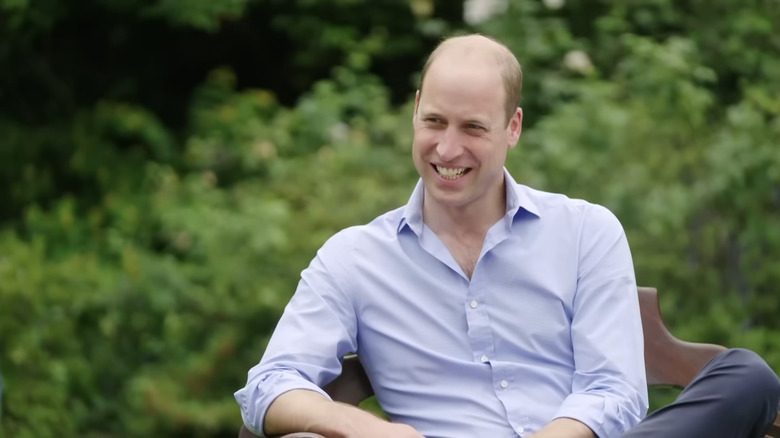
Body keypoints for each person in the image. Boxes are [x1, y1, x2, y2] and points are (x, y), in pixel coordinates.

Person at [234, 34, 780, 438]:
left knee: (748, 377)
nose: (448, 150)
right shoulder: (355, 258)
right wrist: (364, 428)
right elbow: (268, 385)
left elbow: (614, 390)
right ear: (415, 113)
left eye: (473, 128)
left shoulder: (586, 231)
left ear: (513, 127)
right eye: (434, 122)